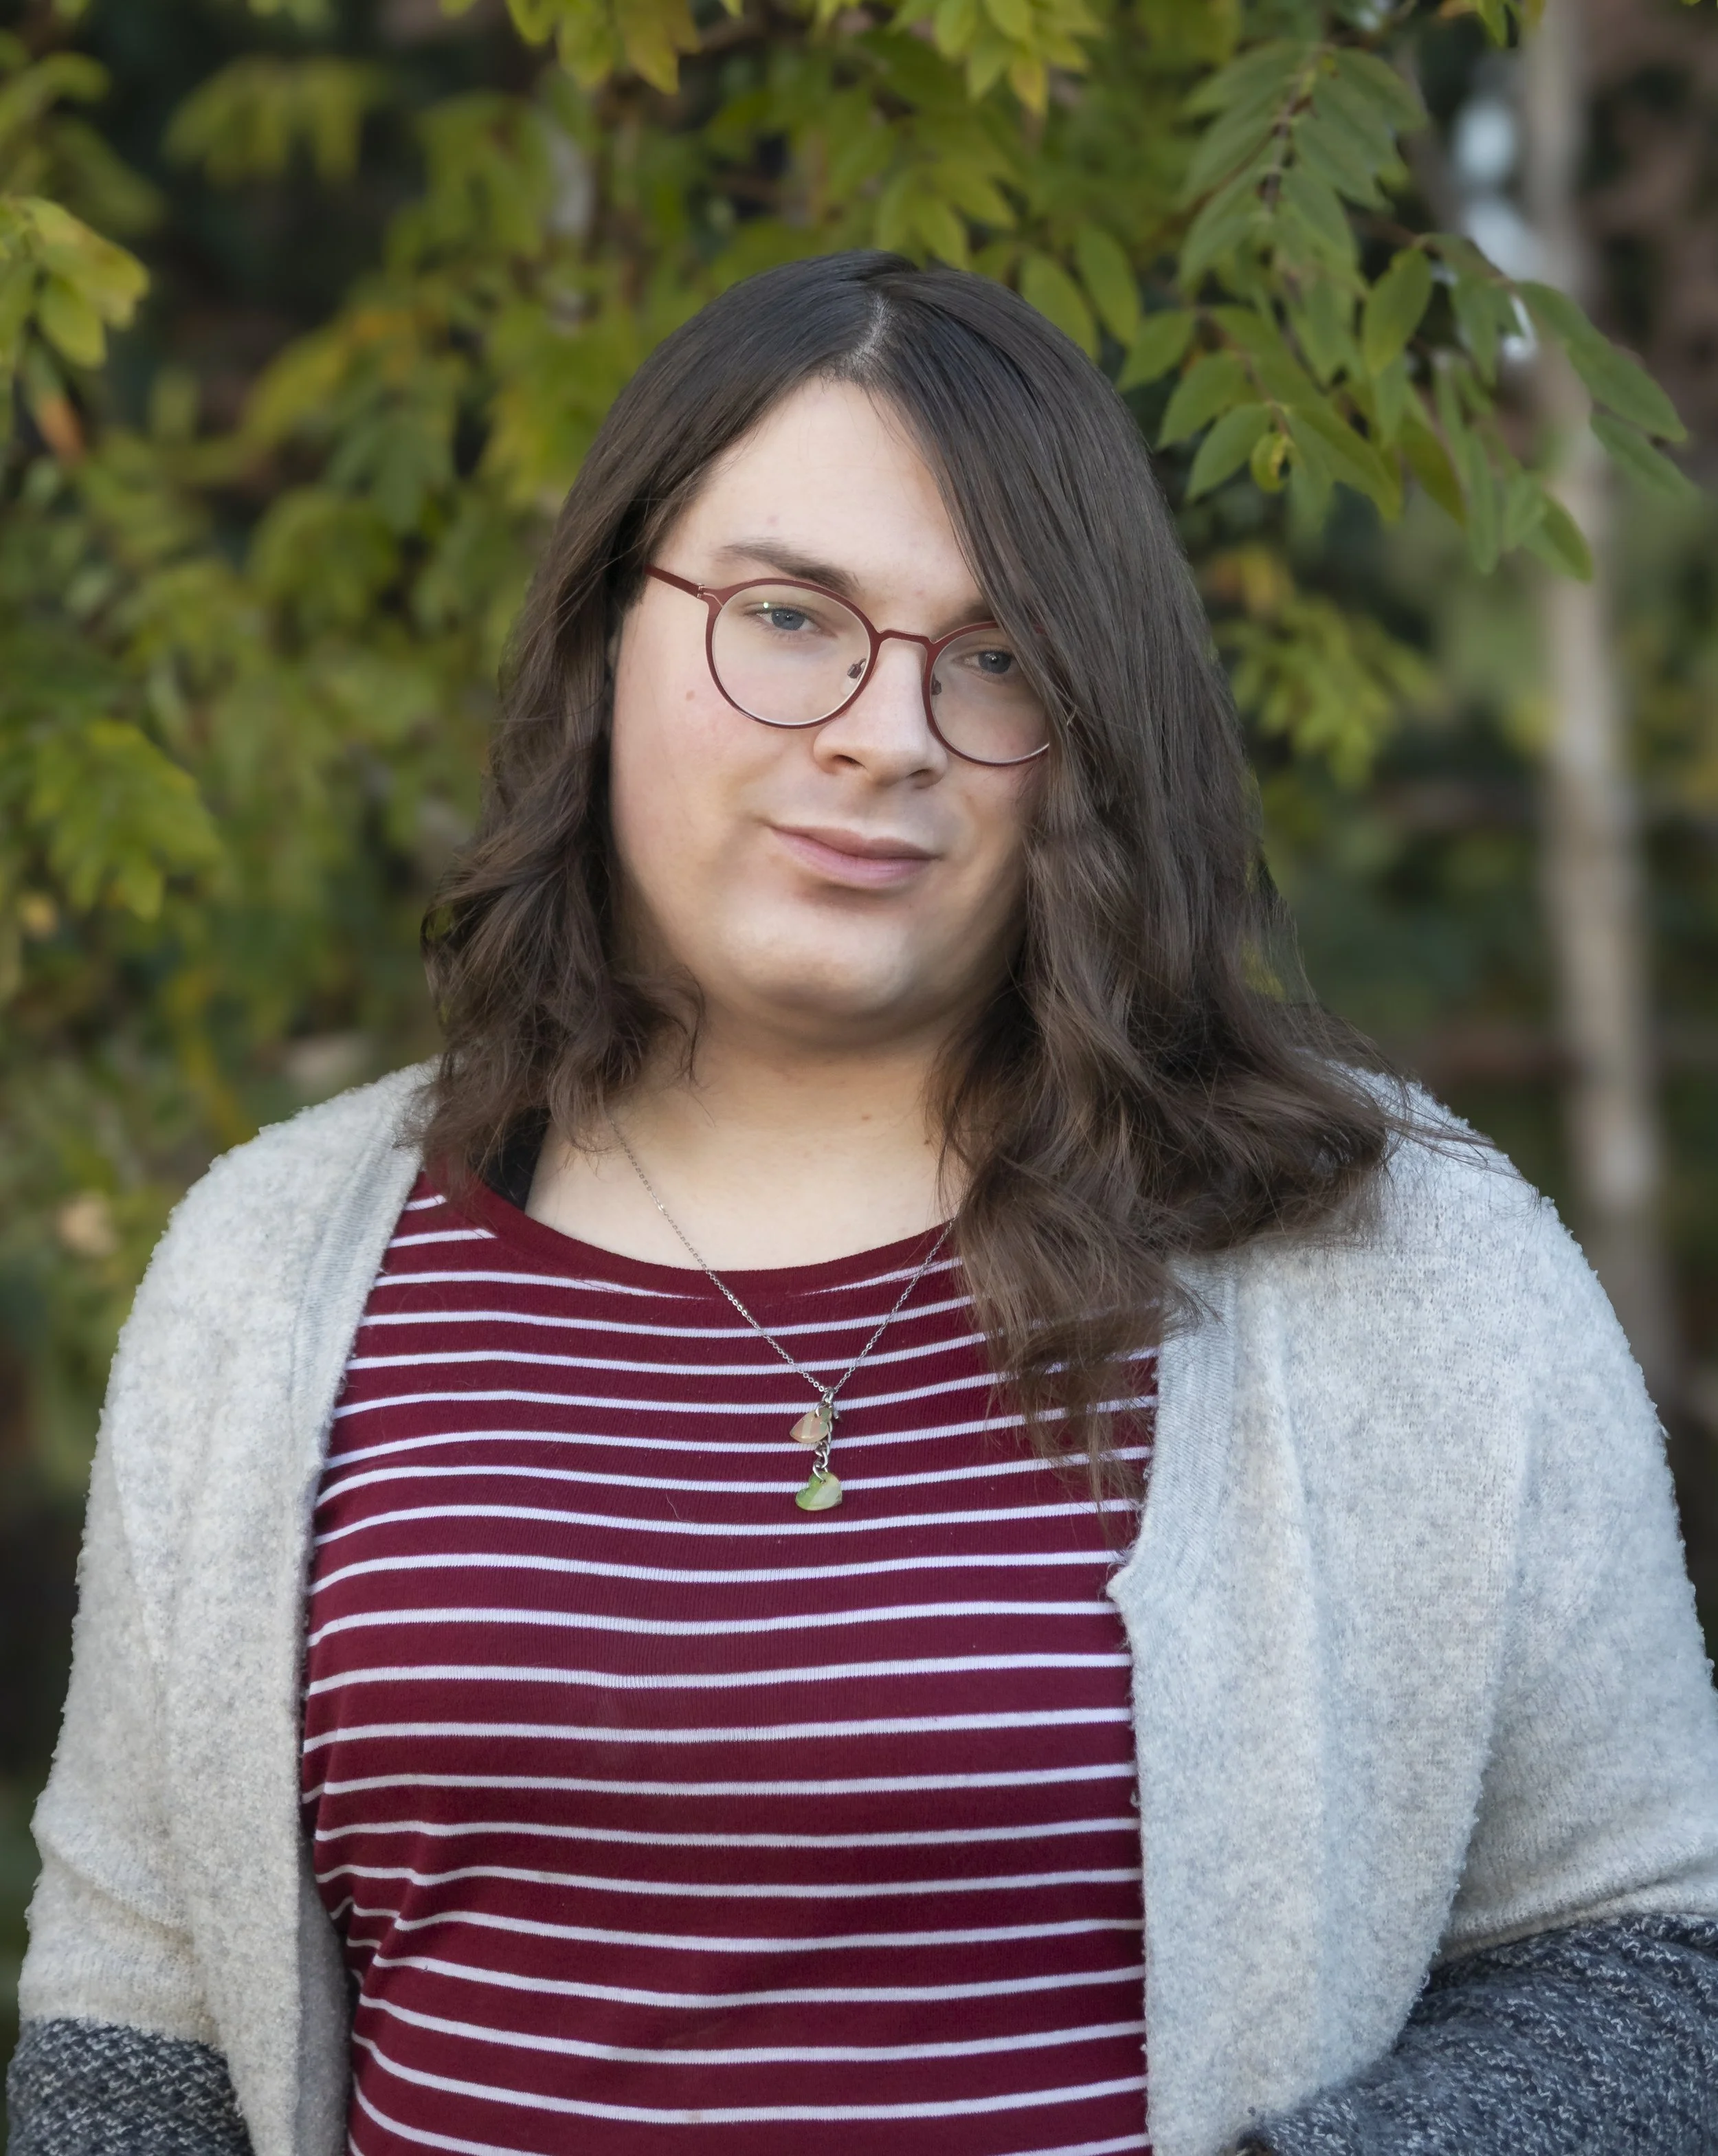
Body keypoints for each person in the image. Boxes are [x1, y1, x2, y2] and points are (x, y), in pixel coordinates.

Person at [8, 250, 1718, 2156]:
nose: (884, 734)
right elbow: (135, 2035)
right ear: (604, 631)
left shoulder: (1402, 1262)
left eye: (994, 659)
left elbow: (1647, 1965)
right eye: (789, 615)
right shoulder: (269, 1269)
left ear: (1087, 735)